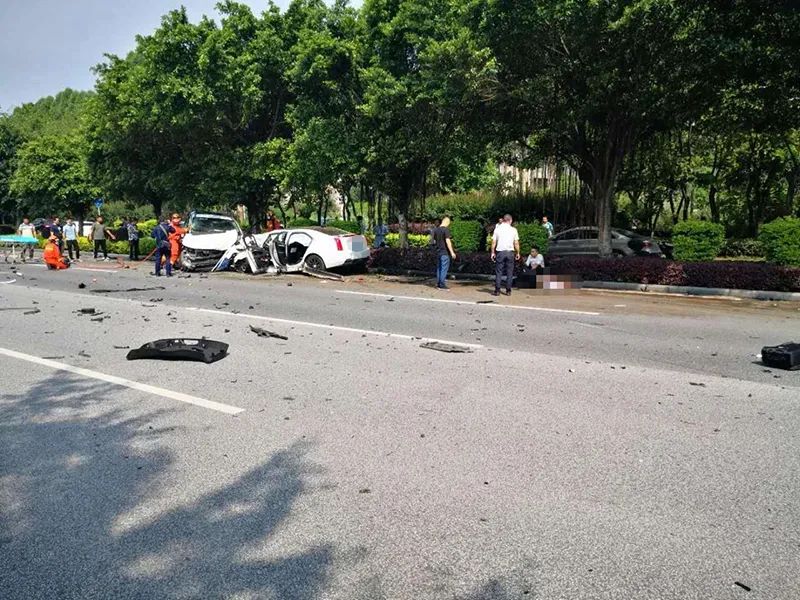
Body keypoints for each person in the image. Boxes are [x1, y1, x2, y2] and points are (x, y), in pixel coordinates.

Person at [491, 214, 520, 296]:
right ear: (510, 220)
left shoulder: (497, 229)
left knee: (499, 271)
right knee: (509, 272)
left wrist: (492, 252)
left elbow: (493, 242)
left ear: (503, 220)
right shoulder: (513, 230)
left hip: (500, 252)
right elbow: (516, 243)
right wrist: (518, 252)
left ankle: (497, 290)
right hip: (510, 252)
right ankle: (508, 290)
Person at [432, 217, 457, 290]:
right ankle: (442, 285)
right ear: (447, 222)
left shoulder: (436, 230)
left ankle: (438, 284)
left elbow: (434, 241)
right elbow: (447, 241)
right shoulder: (446, 230)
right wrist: (452, 252)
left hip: (438, 251)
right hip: (445, 252)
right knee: (444, 269)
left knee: (439, 268)